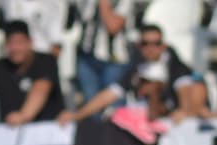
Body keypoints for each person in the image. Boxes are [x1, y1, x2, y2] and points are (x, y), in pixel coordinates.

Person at [57, 24, 195, 125]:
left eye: (156, 43)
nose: (151, 48)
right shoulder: (137, 68)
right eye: (145, 43)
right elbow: (109, 94)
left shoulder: (176, 66)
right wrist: (77, 115)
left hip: (172, 123)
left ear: (163, 45)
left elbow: (186, 91)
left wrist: (184, 110)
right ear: (139, 46)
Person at [72, 0, 134, 107]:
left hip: (114, 60)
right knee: (90, 106)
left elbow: (113, 26)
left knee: (114, 107)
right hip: (86, 57)